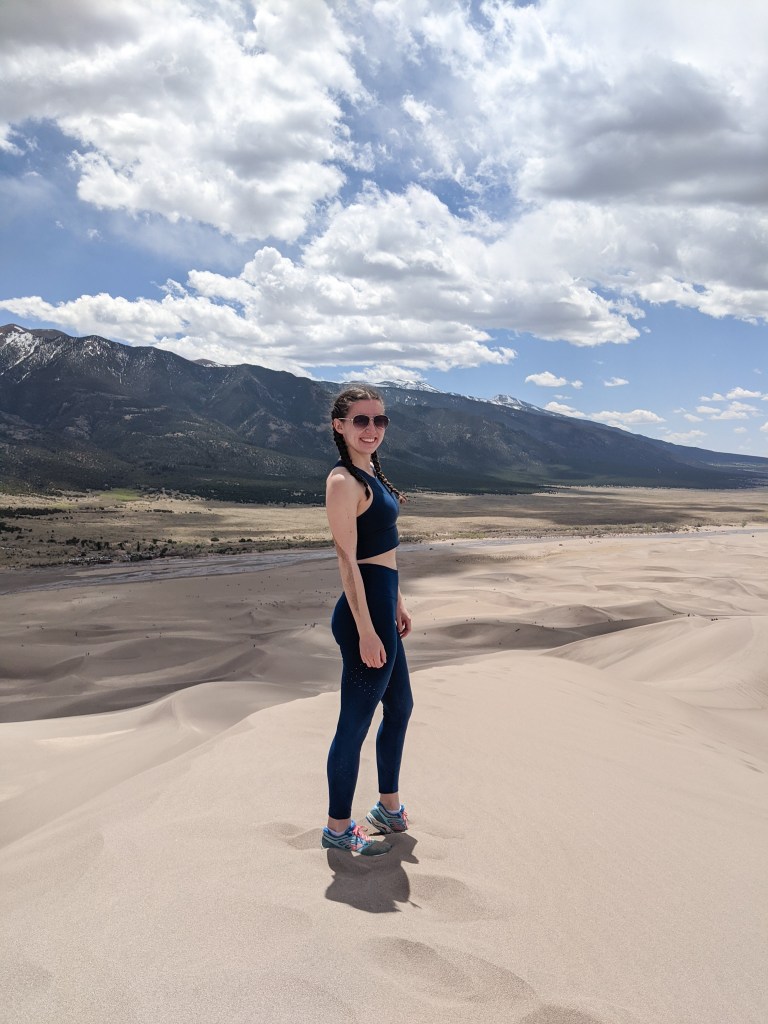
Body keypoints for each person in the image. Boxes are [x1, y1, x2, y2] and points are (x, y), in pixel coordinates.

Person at [321, 385, 414, 856]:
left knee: (400, 708)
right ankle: (338, 828)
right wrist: (366, 630)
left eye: (380, 420)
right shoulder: (343, 482)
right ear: (339, 425)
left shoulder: (370, 472)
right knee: (354, 724)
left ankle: (387, 806)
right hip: (364, 616)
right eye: (361, 420)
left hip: (382, 606)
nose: (372, 429)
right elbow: (348, 561)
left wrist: (396, 601)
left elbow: (386, 547)